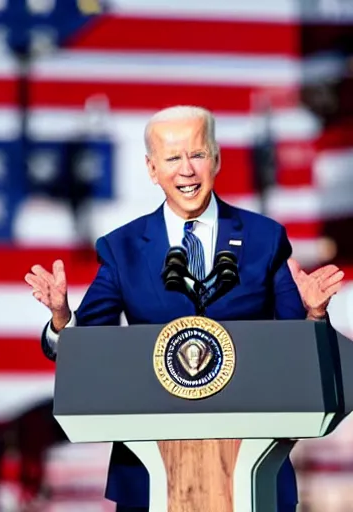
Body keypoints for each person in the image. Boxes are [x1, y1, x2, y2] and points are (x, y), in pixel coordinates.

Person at [24, 105, 345, 512]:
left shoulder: (265, 238)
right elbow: (86, 348)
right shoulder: (122, 248)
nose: (186, 170)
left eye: (197, 154)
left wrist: (314, 315)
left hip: (253, 465)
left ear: (216, 158)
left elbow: (296, 351)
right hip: (150, 474)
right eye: (173, 158)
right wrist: (61, 320)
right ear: (152, 168)